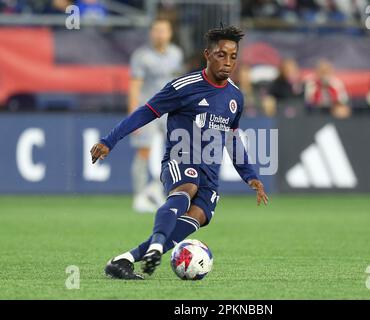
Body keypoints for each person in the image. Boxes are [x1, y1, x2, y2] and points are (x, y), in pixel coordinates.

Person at [90, 25, 269, 280]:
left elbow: (232, 137)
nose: (228, 62)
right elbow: (146, 112)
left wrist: (250, 176)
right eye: (221, 55)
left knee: (201, 214)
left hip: (210, 170)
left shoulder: (236, 97)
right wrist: (110, 140)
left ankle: (124, 260)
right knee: (187, 189)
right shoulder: (184, 86)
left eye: (233, 56)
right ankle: (156, 246)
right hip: (180, 159)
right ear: (207, 54)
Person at [128, 18, 184, 213]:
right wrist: (133, 115)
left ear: (170, 33)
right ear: (151, 33)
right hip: (148, 109)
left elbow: (178, 82)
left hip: (170, 111)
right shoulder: (141, 56)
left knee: (177, 152)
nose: (160, 34)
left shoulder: (176, 54)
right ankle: (139, 196)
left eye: (163, 30)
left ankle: (157, 189)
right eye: (156, 30)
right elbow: (135, 85)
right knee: (144, 150)